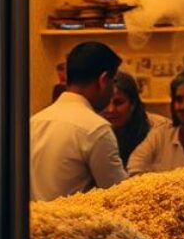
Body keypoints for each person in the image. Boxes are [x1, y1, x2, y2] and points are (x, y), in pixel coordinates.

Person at [30, 41, 128, 201]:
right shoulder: (95, 129)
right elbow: (120, 196)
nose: (114, 90)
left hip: (32, 217)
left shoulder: (34, 122)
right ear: (103, 80)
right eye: (114, 82)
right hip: (74, 217)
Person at [101, 71, 169, 167]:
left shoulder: (159, 128)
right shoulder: (93, 130)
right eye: (105, 102)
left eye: (119, 103)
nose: (111, 110)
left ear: (133, 104)